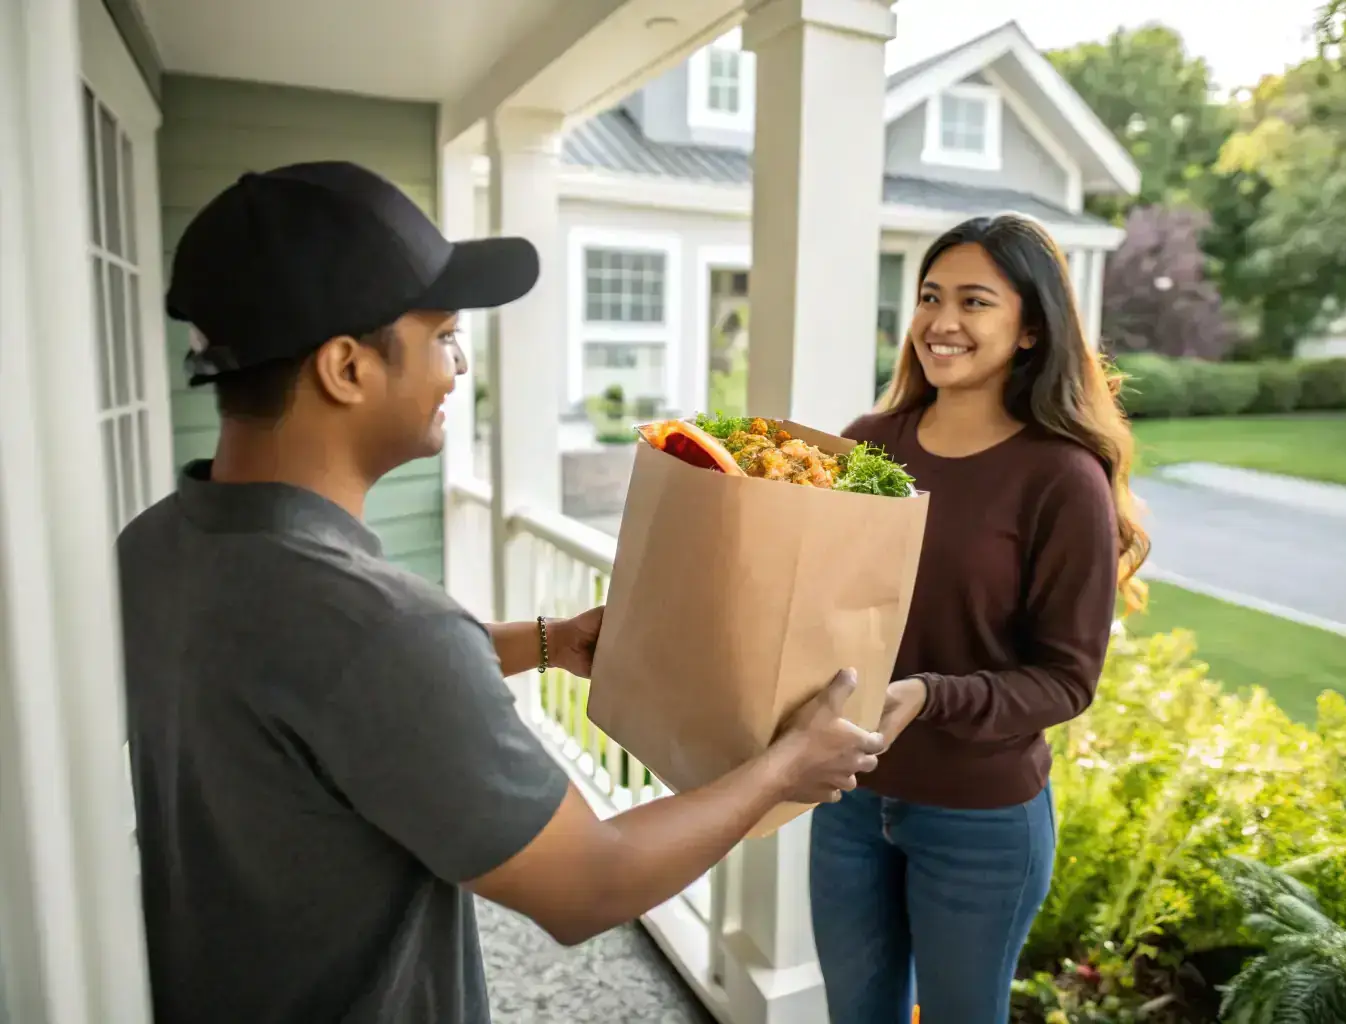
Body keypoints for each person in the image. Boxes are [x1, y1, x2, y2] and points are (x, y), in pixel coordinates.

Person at [117, 160, 890, 1024]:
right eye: (444, 334)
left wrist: (550, 640)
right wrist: (788, 764)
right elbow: (588, 885)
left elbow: (315, 696)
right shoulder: (381, 630)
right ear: (345, 368)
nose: (456, 366)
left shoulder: (151, 547)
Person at [809, 214, 1150, 1023]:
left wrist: (930, 696)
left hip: (980, 820)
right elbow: (812, 598)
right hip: (846, 798)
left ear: (1030, 328)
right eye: (930, 297)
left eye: (974, 301)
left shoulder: (1060, 477)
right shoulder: (866, 446)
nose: (941, 322)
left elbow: (1066, 681)